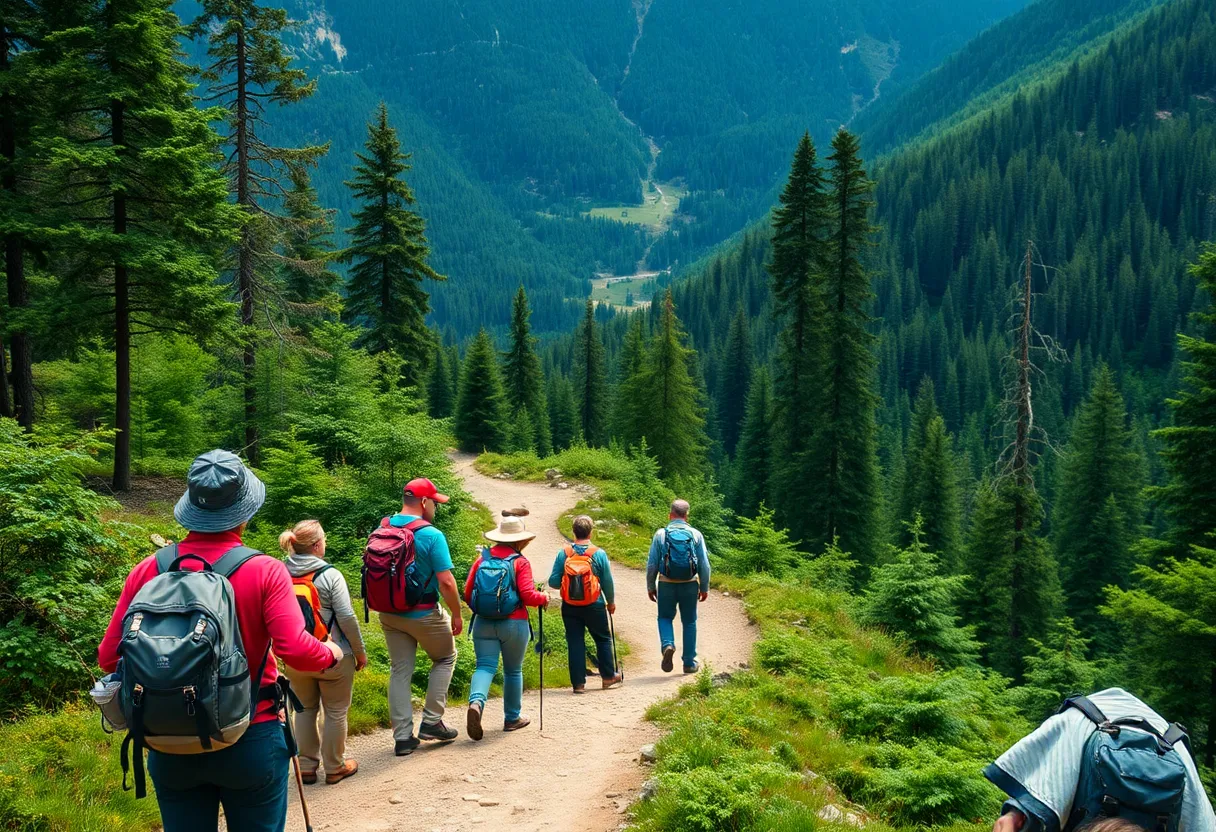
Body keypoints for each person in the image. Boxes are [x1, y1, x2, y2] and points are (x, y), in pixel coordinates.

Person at [98, 450, 343, 832]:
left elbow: (108, 657)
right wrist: (330, 652)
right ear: (245, 513)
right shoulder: (265, 570)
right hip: (250, 735)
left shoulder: (150, 569)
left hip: (167, 741)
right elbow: (296, 651)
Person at [378, 477, 463, 756]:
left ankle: (403, 738)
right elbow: (447, 583)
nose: (435, 509)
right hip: (423, 613)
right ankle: (432, 721)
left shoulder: (384, 526)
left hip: (388, 613)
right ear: (424, 503)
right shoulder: (431, 535)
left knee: (400, 669)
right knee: (445, 657)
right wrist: (456, 613)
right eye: (435, 503)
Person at [279, 520, 367, 785]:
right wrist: (359, 652)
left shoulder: (280, 571)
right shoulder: (330, 575)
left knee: (304, 709)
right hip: (333, 655)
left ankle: (306, 766)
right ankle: (334, 767)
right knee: (336, 711)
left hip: (296, 655)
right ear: (317, 545)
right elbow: (347, 617)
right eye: (324, 539)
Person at [463, 514, 550, 739]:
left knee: (484, 666)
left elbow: (467, 592)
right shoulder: (520, 562)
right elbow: (528, 596)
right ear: (520, 540)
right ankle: (512, 718)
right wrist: (544, 598)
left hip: (483, 622)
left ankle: (476, 703)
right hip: (514, 622)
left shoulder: (482, 559)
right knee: (513, 670)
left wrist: (483, 608)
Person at [549, 514, 621, 693]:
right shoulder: (599, 554)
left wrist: (567, 583)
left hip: (570, 606)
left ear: (574, 532)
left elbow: (553, 582)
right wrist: (610, 602)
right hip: (594, 604)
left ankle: (578, 684)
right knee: (603, 639)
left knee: (575, 642)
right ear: (591, 532)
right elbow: (607, 582)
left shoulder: (564, 554)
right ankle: (608, 677)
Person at [646, 499, 711, 674]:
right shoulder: (695, 534)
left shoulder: (661, 534)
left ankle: (667, 644)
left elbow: (652, 563)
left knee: (665, 618)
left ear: (670, 515)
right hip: (690, 584)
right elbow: (704, 565)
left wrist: (650, 586)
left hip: (666, 583)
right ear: (686, 515)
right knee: (689, 621)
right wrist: (704, 587)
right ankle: (689, 663)